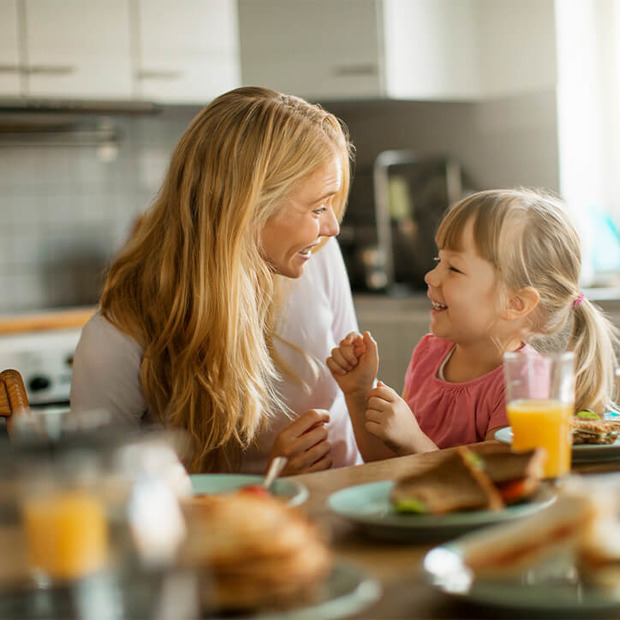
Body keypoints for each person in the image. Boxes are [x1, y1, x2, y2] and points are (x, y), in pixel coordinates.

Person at [70, 86, 362, 475]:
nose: (333, 227)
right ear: (249, 206)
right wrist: (270, 482)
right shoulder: (117, 337)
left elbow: (354, 393)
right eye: (318, 207)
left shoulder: (318, 258)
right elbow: (105, 501)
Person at [327, 188, 620, 461]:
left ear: (515, 304)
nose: (431, 276)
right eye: (438, 260)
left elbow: (498, 485)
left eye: (453, 267)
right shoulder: (430, 352)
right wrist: (358, 394)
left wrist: (414, 440)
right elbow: (385, 465)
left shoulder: (525, 384)